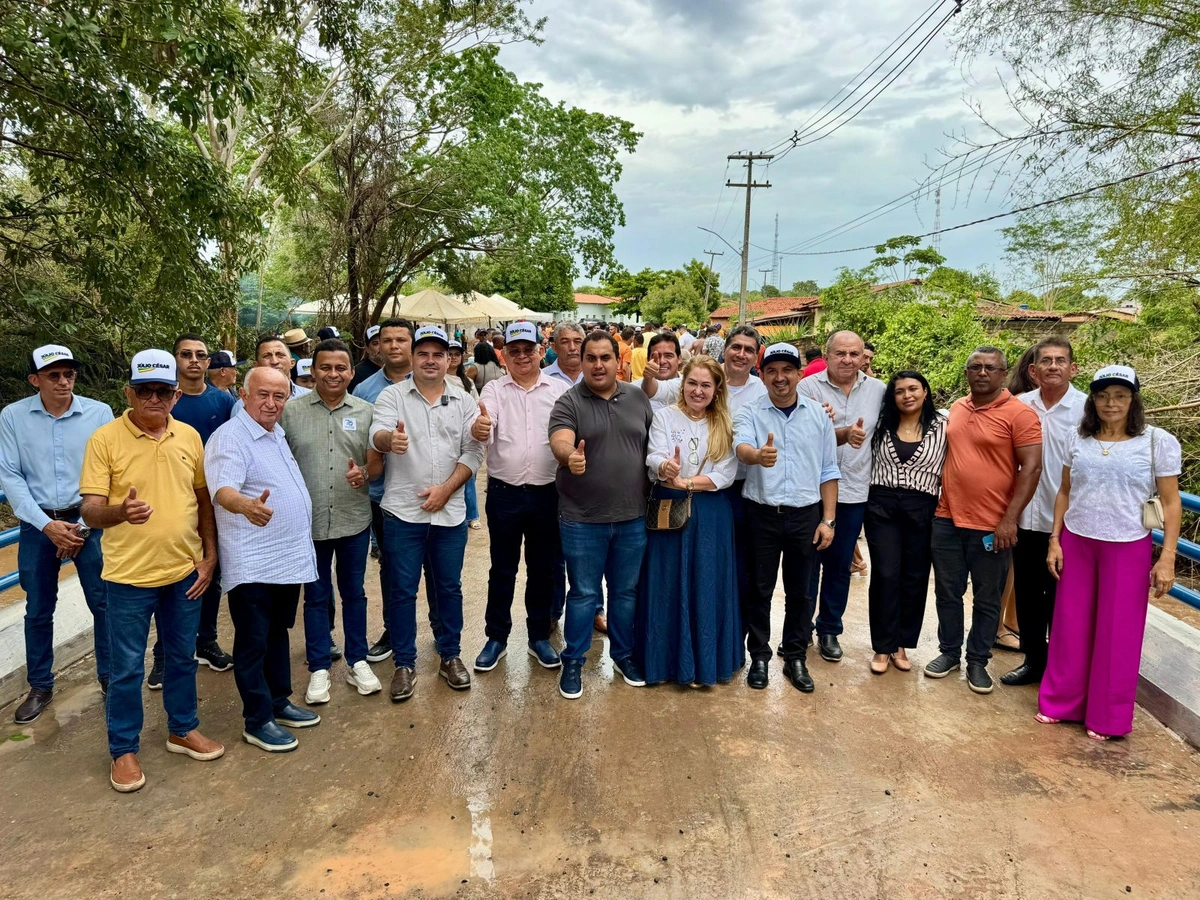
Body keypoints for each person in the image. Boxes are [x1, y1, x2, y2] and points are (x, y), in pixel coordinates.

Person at [80, 350, 222, 793]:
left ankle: (182, 728)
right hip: (127, 578)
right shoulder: (104, 439)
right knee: (126, 668)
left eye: (163, 391)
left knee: (181, 658)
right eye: (145, 390)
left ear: (176, 395)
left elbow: (203, 502)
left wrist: (209, 557)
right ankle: (123, 750)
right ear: (129, 392)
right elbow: (89, 510)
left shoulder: (189, 437)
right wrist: (121, 511)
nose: (154, 399)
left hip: (184, 574)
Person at [1039, 365, 1182, 740]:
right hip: (1078, 539)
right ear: (1092, 400)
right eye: (1102, 396)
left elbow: (1170, 502)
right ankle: (1061, 703)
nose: (1110, 403)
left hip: (1127, 545)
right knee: (1070, 625)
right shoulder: (1077, 438)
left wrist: (1167, 556)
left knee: (1118, 632)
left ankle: (1107, 717)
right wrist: (1055, 539)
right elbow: (1065, 491)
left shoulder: (1156, 442)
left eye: (1119, 395)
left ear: (1133, 399)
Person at [206, 367, 321, 752]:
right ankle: (257, 720)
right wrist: (245, 506)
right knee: (253, 641)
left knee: (277, 633)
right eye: (263, 395)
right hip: (254, 562)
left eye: (279, 396)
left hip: (285, 559)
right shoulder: (231, 437)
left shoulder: (274, 432)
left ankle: (278, 701)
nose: (271, 403)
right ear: (243, 394)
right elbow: (222, 489)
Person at [369, 325, 483, 701]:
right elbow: (377, 433)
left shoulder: (463, 397)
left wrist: (446, 490)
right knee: (402, 591)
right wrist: (390, 440)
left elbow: (473, 452)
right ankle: (404, 663)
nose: (431, 360)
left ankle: (450, 656)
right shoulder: (392, 395)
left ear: (449, 358)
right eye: (424, 353)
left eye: (439, 354)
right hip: (403, 513)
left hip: (449, 515)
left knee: (448, 588)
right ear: (413, 358)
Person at [0, 345, 112, 724]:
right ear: (35, 380)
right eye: (53, 375)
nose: (64, 381)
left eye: (69, 374)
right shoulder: (13, 417)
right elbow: (10, 475)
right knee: (38, 608)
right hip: (38, 526)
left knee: (104, 603)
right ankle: (41, 685)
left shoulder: (99, 413)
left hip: (90, 525)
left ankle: (110, 679)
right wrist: (47, 526)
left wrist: (80, 526)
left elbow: (111, 473)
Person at [925, 346, 1043, 694]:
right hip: (947, 518)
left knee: (987, 598)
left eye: (991, 368)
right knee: (948, 592)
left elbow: (1032, 468)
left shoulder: (1020, 415)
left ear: (1004, 373)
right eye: (975, 367)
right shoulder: (957, 409)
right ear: (966, 372)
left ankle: (978, 661)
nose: (982, 373)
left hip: (993, 525)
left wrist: (1009, 520)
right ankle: (949, 653)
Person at [549, 331, 653, 699]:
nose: (597, 365)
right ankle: (574, 660)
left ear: (617, 361)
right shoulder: (569, 402)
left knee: (625, 593)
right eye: (590, 358)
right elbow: (560, 439)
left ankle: (623, 655)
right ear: (582, 360)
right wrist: (569, 456)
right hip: (582, 520)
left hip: (632, 518)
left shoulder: (638, 398)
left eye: (604, 358)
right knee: (583, 593)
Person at [281, 339, 382, 707]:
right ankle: (319, 666)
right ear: (311, 370)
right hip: (307, 524)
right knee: (316, 596)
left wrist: (365, 476)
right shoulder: (290, 413)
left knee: (354, 593)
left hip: (353, 518)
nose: (333, 374)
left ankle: (357, 660)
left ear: (351, 372)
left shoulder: (367, 411)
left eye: (341, 368)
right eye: (325, 367)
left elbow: (376, 465)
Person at [734, 343, 838, 693]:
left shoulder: (818, 415)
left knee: (800, 592)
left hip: (805, 516)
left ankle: (795, 656)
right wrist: (757, 456)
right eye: (772, 371)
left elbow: (828, 470)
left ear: (798, 373)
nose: (780, 378)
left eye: (787, 370)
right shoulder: (750, 411)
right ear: (761, 375)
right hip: (760, 514)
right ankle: (759, 656)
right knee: (759, 589)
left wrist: (829, 520)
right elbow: (742, 448)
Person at [471, 322, 569, 673]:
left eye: (529, 349)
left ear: (541, 351)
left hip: (547, 495)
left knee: (542, 569)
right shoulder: (494, 391)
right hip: (504, 495)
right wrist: (480, 428)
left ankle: (538, 637)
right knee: (502, 568)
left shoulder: (559, 390)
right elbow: (484, 422)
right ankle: (496, 637)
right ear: (505, 355)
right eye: (515, 350)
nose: (523, 356)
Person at [641, 356, 741, 685]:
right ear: (683, 384)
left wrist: (683, 482)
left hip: (710, 514)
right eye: (693, 383)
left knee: (706, 585)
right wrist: (664, 466)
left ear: (717, 389)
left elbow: (725, 473)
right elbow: (653, 454)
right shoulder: (665, 416)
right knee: (667, 584)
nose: (698, 391)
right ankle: (666, 664)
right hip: (670, 512)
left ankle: (705, 663)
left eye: (706, 385)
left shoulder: (724, 423)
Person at [149, 334, 236, 685]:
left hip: (214, 504)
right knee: (168, 582)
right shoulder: (163, 401)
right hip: (169, 506)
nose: (195, 361)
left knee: (210, 577)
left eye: (201, 355)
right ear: (176, 360)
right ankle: (163, 654)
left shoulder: (225, 401)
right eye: (186, 355)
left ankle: (207, 642)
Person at [799, 331, 886, 662]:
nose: (847, 360)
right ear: (827, 354)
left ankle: (830, 630)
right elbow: (800, 437)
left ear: (864, 356)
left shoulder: (878, 391)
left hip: (855, 490)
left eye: (854, 354)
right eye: (840, 354)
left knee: (839, 567)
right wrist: (837, 432)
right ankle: (800, 627)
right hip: (811, 491)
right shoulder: (808, 388)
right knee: (806, 565)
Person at [1003, 339, 1085, 687]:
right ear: (1033, 370)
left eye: (1061, 360)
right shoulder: (1018, 406)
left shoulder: (1088, 409)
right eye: (1046, 361)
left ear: (1073, 368)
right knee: (1027, 594)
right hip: (1024, 517)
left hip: (1066, 521)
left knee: (1062, 598)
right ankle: (1034, 662)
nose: (1053, 366)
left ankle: (1063, 669)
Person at [864, 371, 948, 674]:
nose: (907, 395)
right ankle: (883, 646)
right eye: (900, 391)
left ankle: (901, 644)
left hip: (922, 507)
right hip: (881, 506)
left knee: (914, 577)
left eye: (913, 388)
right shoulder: (880, 424)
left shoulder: (944, 426)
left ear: (925, 391)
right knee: (886, 573)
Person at [353, 318, 414, 662]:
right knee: (391, 567)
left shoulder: (434, 382)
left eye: (400, 340)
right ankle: (393, 630)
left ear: (411, 344)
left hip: (425, 493)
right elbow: (362, 445)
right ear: (375, 346)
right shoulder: (364, 390)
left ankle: (439, 629)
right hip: (382, 495)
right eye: (385, 340)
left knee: (436, 570)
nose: (392, 346)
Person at [720, 326, 768, 632]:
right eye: (736, 347)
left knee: (741, 565)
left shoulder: (762, 391)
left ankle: (736, 631)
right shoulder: (705, 380)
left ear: (756, 356)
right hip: (705, 486)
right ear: (724, 349)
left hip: (744, 486)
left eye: (749, 350)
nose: (741, 354)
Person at [447, 340, 482, 530]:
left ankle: (472, 514)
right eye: (449, 354)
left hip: (466, 435)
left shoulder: (466, 381)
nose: (453, 358)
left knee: (469, 476)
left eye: (456, 354)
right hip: (447, 435)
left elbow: (476, 404)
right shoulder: (439, 380)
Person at [636, 332, 683, 411]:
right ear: (648, 359)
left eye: (668, 355)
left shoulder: (691, 388)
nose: (662, 361)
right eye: (655, 356)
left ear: (679, 359)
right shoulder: (634, 391)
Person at [348, 324, 382, 392]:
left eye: (384, 342)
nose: (380, 347)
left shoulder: (394, 369)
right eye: (375, 343)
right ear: (367, 349)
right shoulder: (357, 374)